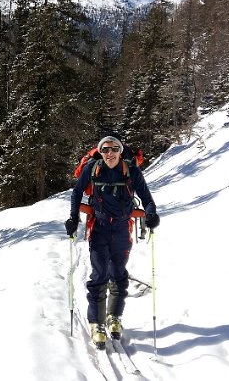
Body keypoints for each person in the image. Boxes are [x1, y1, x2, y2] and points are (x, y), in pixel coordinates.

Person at [65, 135, 159, 348]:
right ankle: (96, 323)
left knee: (118, 272)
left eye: (114, 149)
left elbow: (147, 198)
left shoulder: (130, 170)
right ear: (100, 152)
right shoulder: (93, 168)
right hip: (98, 228)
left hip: (122, 228)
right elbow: (76, 193)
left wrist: (152, 214)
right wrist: (73, 218)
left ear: (120, 150)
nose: (110, 153)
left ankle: (114, 317)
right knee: (99, 274)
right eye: (106, 149)